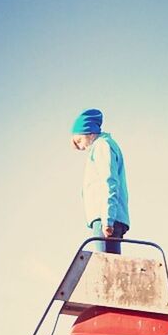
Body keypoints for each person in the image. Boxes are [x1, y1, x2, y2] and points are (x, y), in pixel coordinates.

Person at [71, 108, 130, 254]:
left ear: (90, 133)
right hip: (108, 216)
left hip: (106, 217)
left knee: (106, 269)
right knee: (110, 268)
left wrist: (107, 220)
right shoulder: (103, 146)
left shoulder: (101, 146)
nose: (81, 147)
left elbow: (109, 182)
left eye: (79, 140)